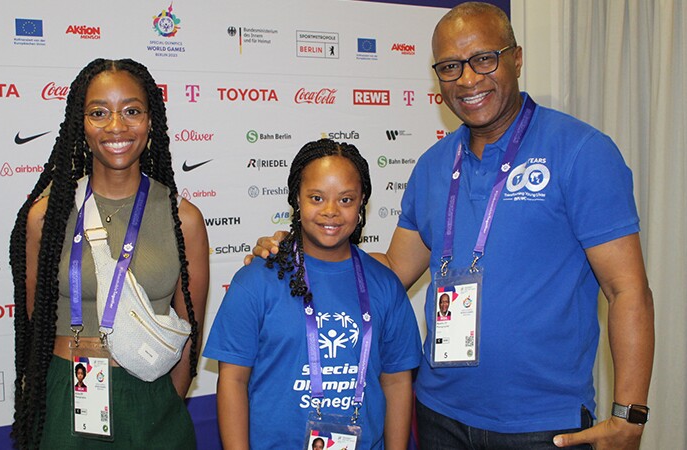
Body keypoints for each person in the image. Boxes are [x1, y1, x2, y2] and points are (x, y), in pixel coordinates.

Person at [247, 3, 654, 449]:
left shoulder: (581, 151)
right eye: (450, 67)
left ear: (516, 58)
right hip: (439, 414)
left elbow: (627, 289)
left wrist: (628, 417)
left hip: (542, 425)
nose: (468, 79)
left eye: (484, 59)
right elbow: (391, 270)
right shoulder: (433, 167)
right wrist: (299, 256)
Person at [9, 58, 208, 449]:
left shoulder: (183, 218)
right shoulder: (44, 218)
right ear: (79, 125)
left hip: (151, 399)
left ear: (151, 121)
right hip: (68, 395)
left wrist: (167, 397)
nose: (116, 126)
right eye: (99, 112)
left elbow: (190, 331)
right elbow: (36, 322)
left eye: (131, 111)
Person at [206, 139, 422, 450]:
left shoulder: (384, 285)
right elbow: (233, 380)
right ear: (296, 198)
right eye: (317, 198)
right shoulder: (255, 282)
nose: (331, 211)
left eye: (346, 199)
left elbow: (397, 381)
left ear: (362, 202)